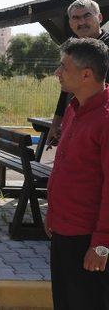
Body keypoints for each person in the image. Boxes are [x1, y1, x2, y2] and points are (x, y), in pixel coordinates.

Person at [46, 37, 109, 309]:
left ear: (86, 74)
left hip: (89, 242)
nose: (57, 73)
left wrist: (102, 244)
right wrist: (52, 214)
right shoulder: (74, 108)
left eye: (63, 67)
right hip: (64, 233)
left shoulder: (105, 119)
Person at [46, 0, 109, 148]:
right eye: (76, 18)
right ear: (70, 23)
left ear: (99, 18)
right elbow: (66, 89)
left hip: (100, 125)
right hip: (74, 119)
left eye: (87, 16)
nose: (82, 22)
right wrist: (56, 123)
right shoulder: (72, 47)